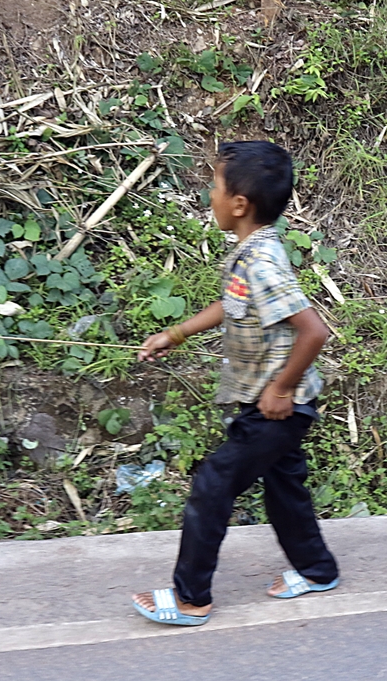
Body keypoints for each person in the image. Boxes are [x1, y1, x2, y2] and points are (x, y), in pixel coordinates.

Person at [131, 140, 339, 626]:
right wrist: (175, 333)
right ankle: (317, 569)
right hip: (269, 402)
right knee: (284, 488)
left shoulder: (261, 262)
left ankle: (190, 599)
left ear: (239, 204)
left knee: (212, 484)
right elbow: (234, 305)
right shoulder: (251, 254)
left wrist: (282, 388)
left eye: (215, 187)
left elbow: (314, 331)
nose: (210, 194)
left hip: (276, 405)